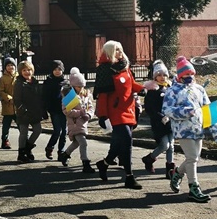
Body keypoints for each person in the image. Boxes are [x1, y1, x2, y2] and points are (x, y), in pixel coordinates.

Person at [162, 56, 213, 203]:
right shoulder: (172, 91)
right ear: (180, 76)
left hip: (198, 129)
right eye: (186, 74)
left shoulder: (199, 89)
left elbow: (208, 109)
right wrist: (184, 112)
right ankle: (193, 188)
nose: (189, 77)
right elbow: (166, 109)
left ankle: (177, 173)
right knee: (192, 158)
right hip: (183, 130)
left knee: (193, 158)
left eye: (191, 74)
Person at [94, 40, 143, 189]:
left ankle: (104, 163)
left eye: (121, 49)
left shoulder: (125, 67)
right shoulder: (104, 70)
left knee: (118, 143)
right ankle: (129, 176)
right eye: (116, 50)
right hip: (114, 111)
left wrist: (142, 89)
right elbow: (102, 95)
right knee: (127, 139)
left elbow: (131, 84)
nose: (120, 53)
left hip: (128, 109)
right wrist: (102, 115)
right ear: (109, 52)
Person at [141, 60, 176, 178]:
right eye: (159, 75)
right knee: (165, 145)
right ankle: (149, 159)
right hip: (159, 123)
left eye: (164, 75)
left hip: (171, 121)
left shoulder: (170, 88)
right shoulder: (152, 90)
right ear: (155, 77)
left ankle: (170, 170)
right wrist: (161, 117)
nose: (162, 77)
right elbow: (150, 109)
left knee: (171, 145)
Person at [58, 67, 95, 172]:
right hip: (74, 123)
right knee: (83, 142)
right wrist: (79, 113)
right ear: (73, 86)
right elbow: (66, 111)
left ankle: (65, 155)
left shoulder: (86, 94)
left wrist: (88, 115)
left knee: (76, 143)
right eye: (78, 86)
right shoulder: (69, 96)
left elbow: (91, 107)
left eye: (82, 86)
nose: (80, 88)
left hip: (83, 122)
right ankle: (85, 163)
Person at [13, 59, 42, 164]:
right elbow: (16, 99)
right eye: (24, 70)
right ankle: (21, 153)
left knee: (37, 130)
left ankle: (28, 148)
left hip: (35, 111)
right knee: (23, 133)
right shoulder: (19, 83)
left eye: (29, 70)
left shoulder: (35, 82)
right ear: (21, 72)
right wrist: (22, 109)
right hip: (23, 112)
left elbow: (39, 97)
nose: (27, 72)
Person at [42, 59, 67, 160]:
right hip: (54, 110)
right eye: (55, 69)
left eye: (59, 69)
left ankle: (61, 151)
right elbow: (44, 97)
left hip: (65, 110)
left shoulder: (66, 82)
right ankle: (50, 147)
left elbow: (71, 98)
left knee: (64, 131)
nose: (57, 71)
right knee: (57, 130)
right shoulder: (48, 82)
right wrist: (44, 110)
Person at [0, 56, 17, 149]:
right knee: (6, 125)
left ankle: (25, 139)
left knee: (21, 124)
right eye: (8, 65)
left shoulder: (18, 76)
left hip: (17, 106)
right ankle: (5, 141)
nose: (10, 67)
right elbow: (1, 91)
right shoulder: (3, 78)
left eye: (12, 65)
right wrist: (8, 98)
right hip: (7, 105)